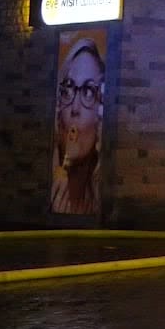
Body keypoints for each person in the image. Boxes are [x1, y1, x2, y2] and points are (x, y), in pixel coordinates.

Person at [51, 36, 106, 217]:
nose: (75, 108)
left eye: (88, 91)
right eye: (68, 88)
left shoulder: (100, 192)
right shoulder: (51, 183)